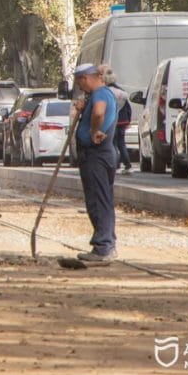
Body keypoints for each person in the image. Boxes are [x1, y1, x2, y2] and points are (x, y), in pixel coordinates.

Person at [72, 63, 120, 262]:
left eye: (79, 83)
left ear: (85, 78)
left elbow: (99, 112)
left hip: (96, 155)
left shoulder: (100, 94)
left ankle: (103, 247)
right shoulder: (101, 94)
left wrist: (93, 132)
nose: (80, 88)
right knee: (102, 200)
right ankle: (107, 244)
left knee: (98, 201)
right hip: (100, 155)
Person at [100, 65, 133, 175]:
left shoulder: (105, 92)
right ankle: (128, 165)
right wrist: (128, 121)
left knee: (113, 143)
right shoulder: (122, 92)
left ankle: (116, 165)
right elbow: (128, 108)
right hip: (122, 121)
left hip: (110, 121)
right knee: (121, 143)